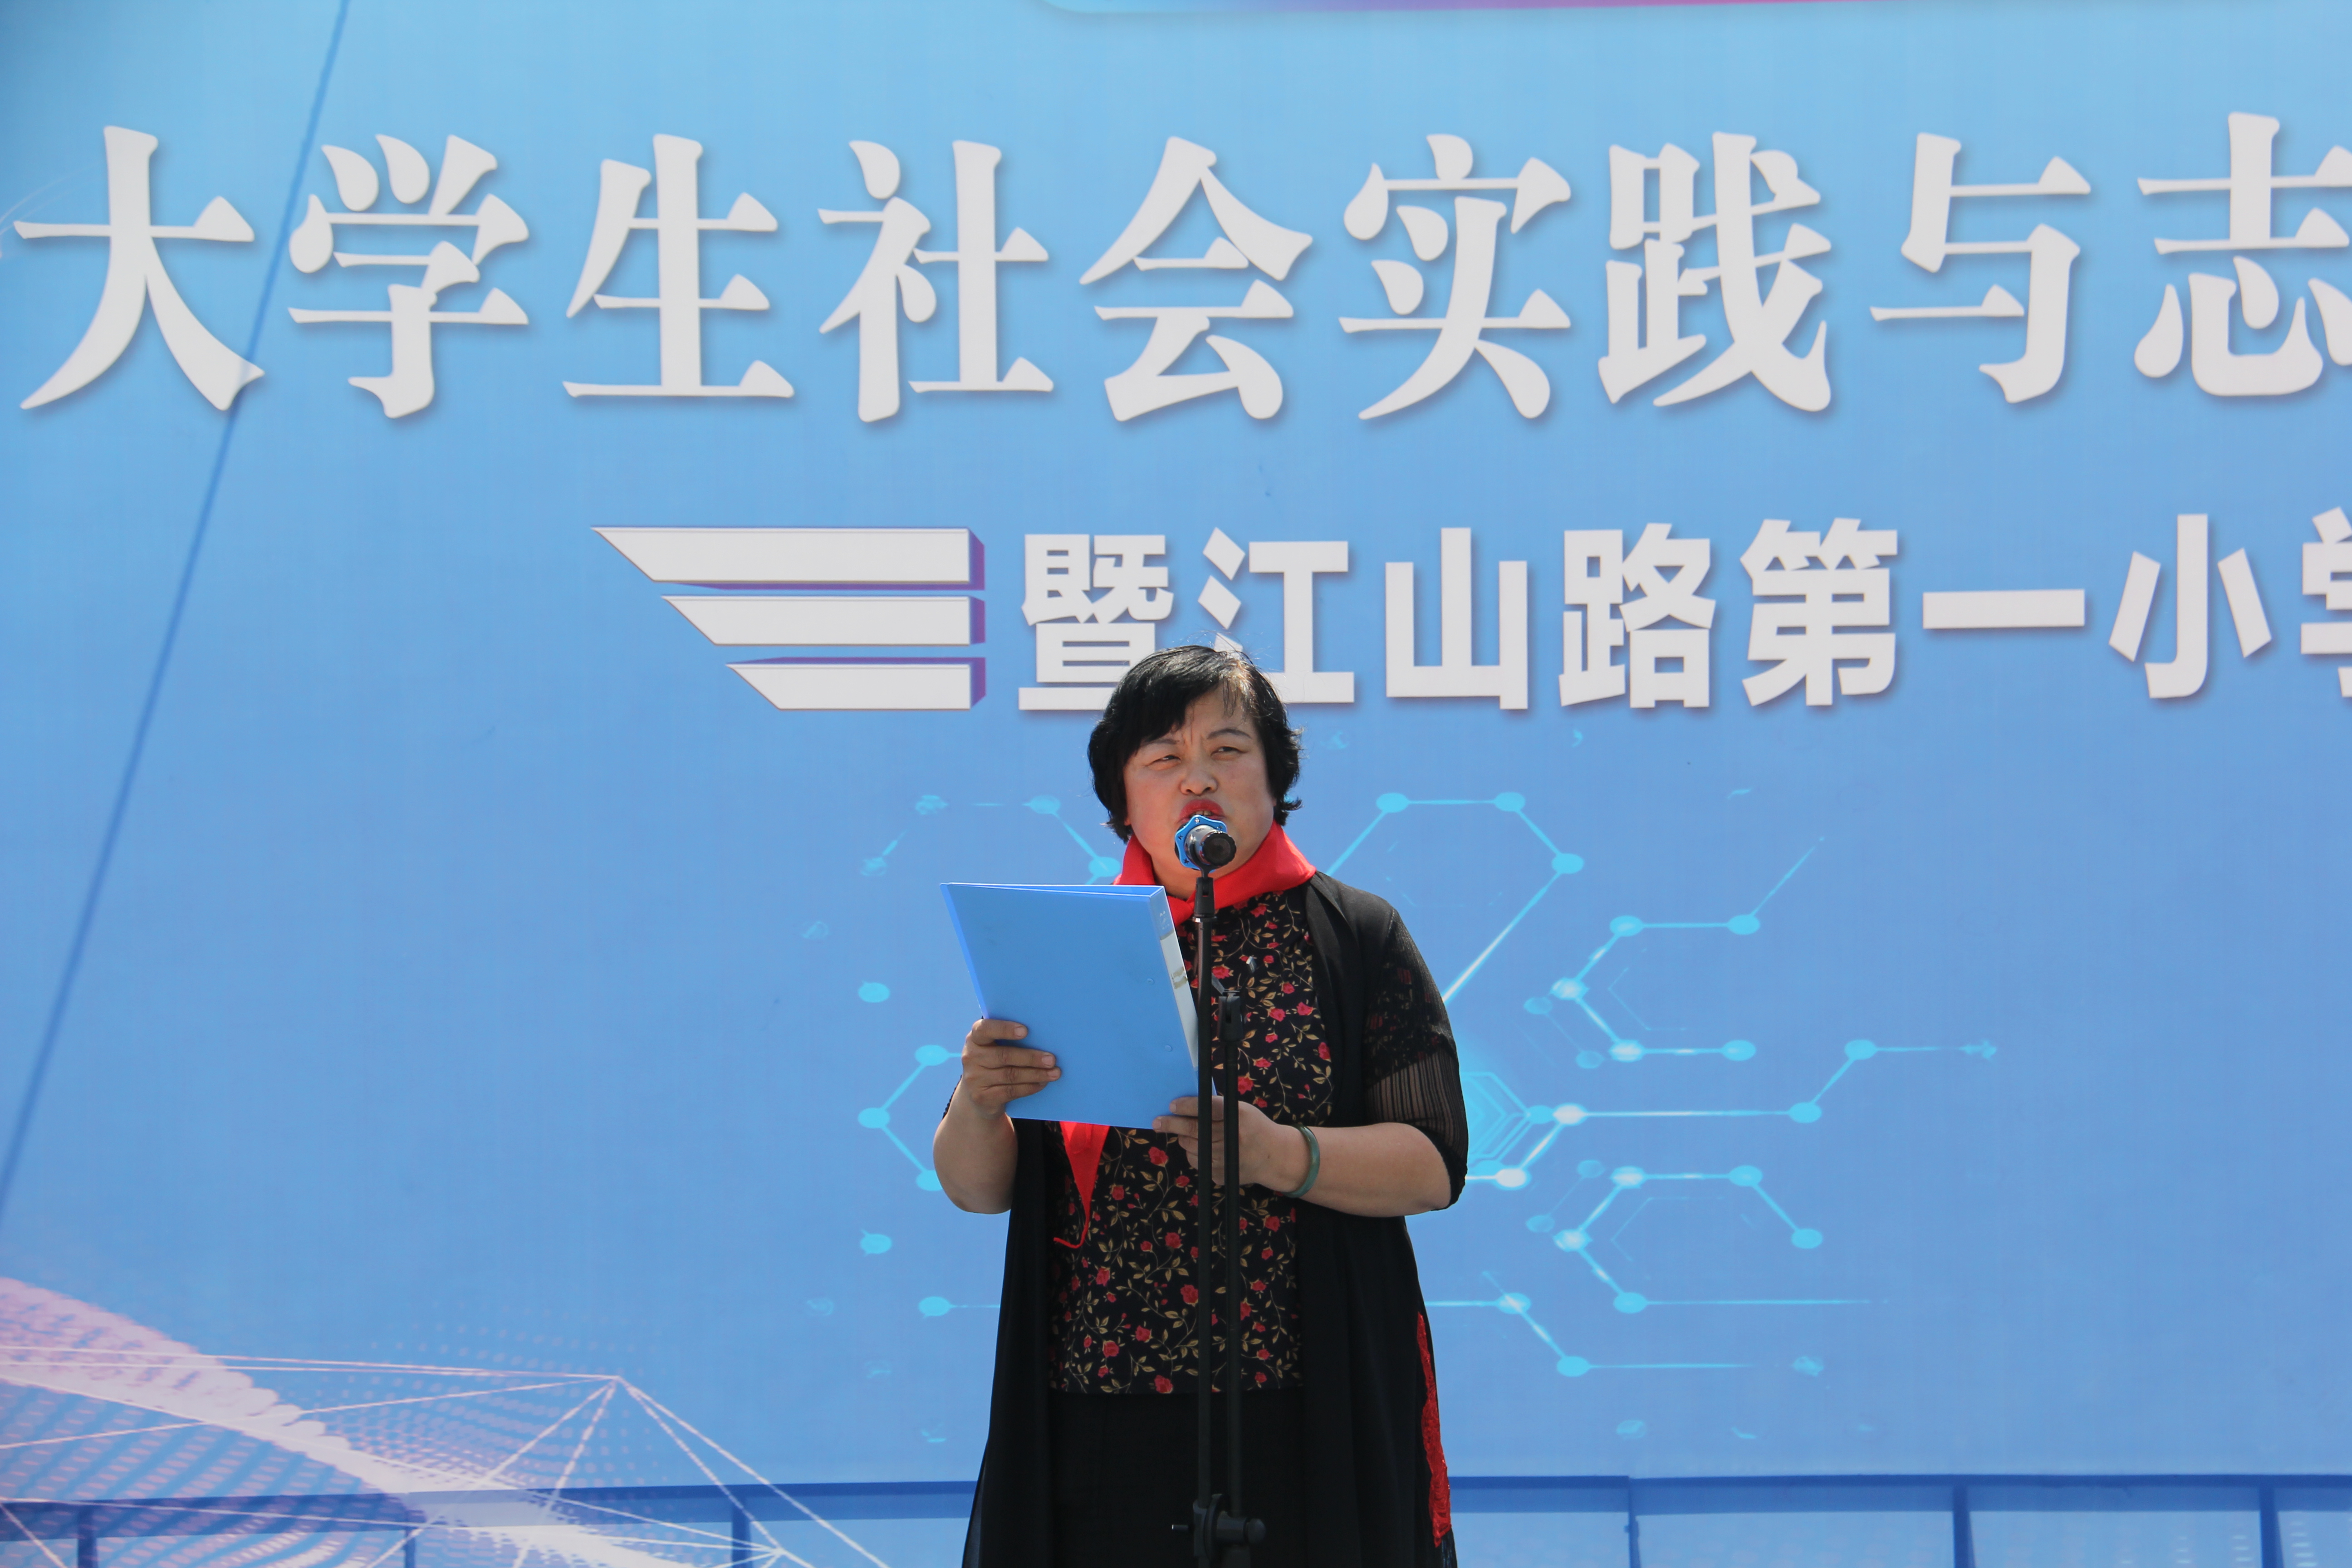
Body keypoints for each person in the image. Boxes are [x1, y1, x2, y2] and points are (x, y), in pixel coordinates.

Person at [935, 645, 1470, 1568]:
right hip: (1097, 1405)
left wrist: (1280, 1155)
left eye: (1228, 750)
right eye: (1163, 758)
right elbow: (979, 1190)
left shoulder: (1355, 936)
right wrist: (980, 1105)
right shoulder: (1068, 945)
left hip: (1305, 1404)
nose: (1198, 779)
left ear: (1275, 778)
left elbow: (1434, 1165)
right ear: (1122, 796)